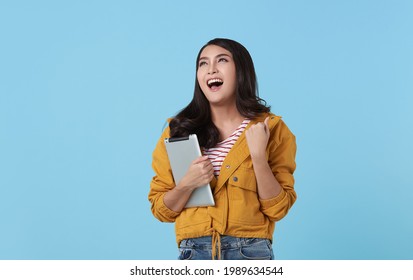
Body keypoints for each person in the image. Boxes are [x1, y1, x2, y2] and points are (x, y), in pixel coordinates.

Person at [148, 38, 297, 260]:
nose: (211, 70)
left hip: (250, 253)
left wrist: (258, 157)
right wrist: (187, 184)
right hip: (193, 254)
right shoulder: (177, 131)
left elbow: (278, 208)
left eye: (222, 60)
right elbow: (161, 210)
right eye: (203, 64)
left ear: (241, 71)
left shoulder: (271, 128)